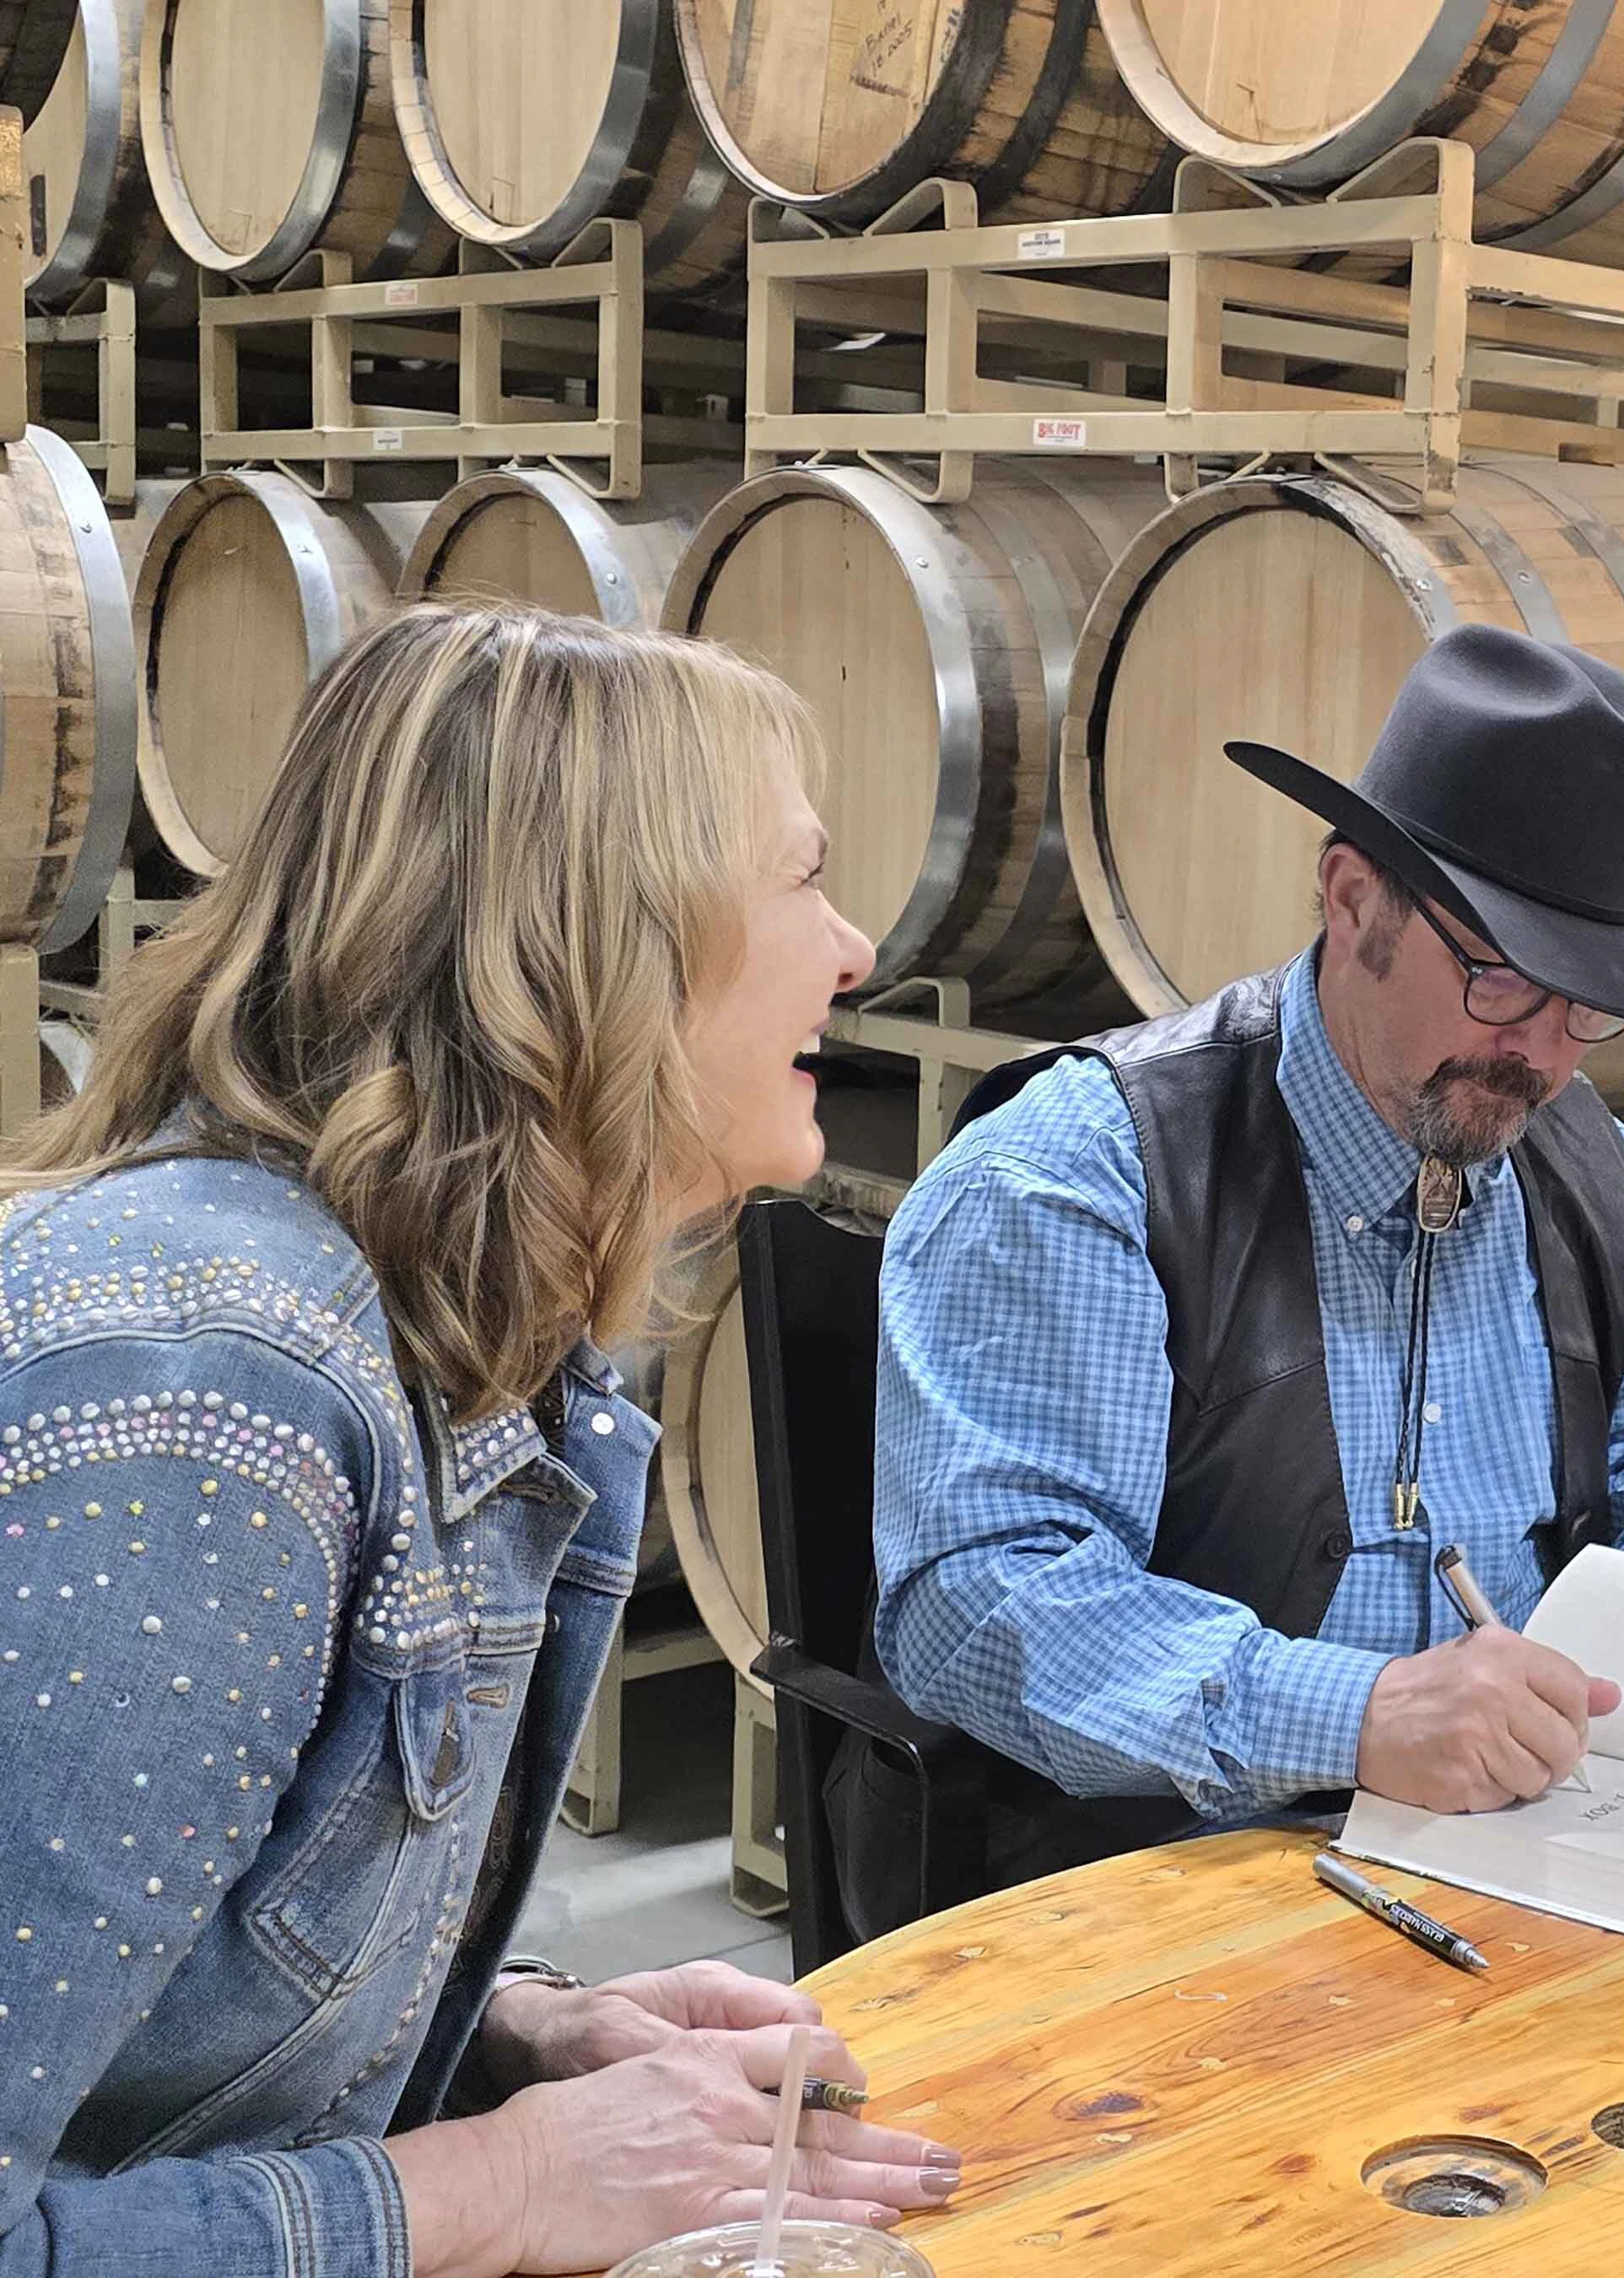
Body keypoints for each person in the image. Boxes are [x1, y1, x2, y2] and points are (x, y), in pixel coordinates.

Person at [0, 604, 945, 2277]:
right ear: (603, 947)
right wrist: (498, 2185)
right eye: (802, 881)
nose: (856, 949)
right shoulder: (212, 1416)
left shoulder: (451, 1337)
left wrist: (509, 2030)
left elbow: (159, 2007)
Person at [868, 624, 1624, 1930]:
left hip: (1528, 1852)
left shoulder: (1592, 1165)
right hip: (1163, 1887)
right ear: (1354, 900)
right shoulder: (1082, 1174)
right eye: (1502, 979)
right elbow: (979, 1602)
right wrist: (1356, 1716)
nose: (1541, 1056)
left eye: (1592, 1007)